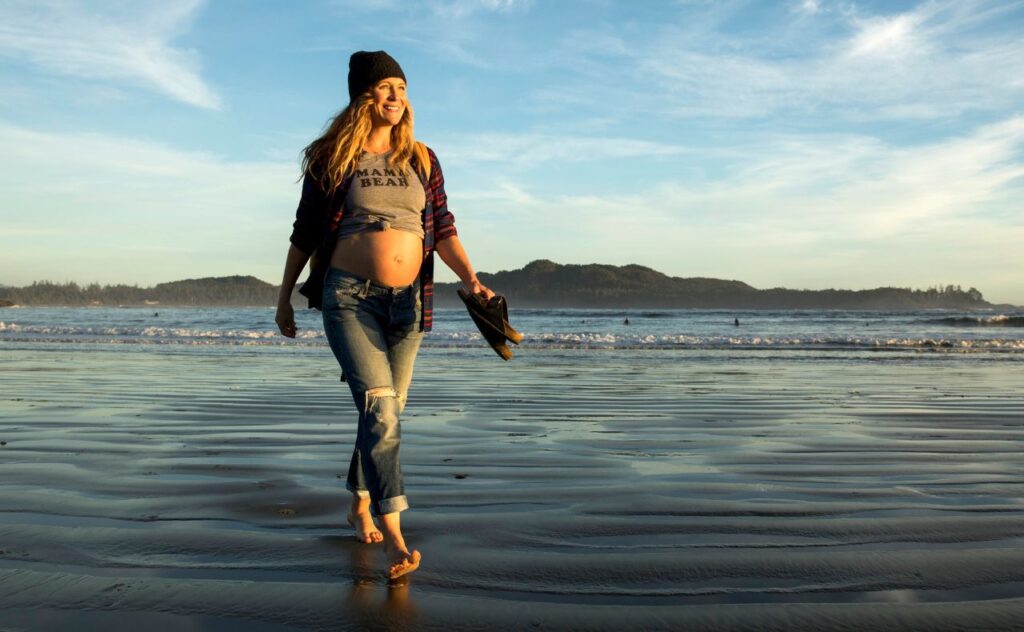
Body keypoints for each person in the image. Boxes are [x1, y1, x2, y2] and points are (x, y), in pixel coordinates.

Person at [275, 50, 492, 580]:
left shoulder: (421, 158)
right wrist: (284, 297)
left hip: (409, 304)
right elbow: (305, 232)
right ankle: (395, 532)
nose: (396, 96)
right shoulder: (333, 158)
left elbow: (441, 227)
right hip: (349, 297)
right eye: (385, 87)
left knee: (384, 413)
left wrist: (471, 278)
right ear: (362, 95)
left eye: (401, 86)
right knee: (381, 410)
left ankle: (359, 502)